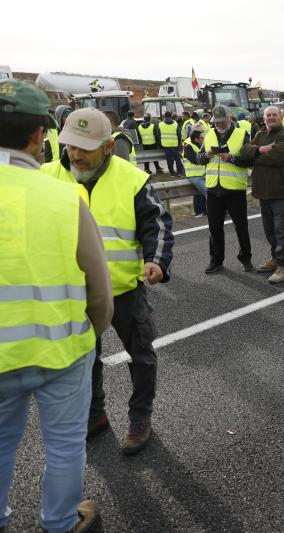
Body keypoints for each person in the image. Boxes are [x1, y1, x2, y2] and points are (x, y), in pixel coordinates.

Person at [0, 79, 113, 533]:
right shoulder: (65, 196)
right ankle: (60, 524)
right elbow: (99, 288)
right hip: (62, 350)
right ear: (38, 136)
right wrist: (92, 333)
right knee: (66, 445)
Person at [40, 108, 174, 456]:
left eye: (84, 147)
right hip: (73, 291)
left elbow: (156, 224)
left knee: (141, 354)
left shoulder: (131, 179)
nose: (75, 154)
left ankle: (140, 417)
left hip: (124, 289)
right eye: (70, 145)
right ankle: (95, 414)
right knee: (86, 359)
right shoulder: (46, 176)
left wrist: (155, 261)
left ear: (109, 147)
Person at [238, 106, 284, 284]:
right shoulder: (260, 135)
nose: (271, 117)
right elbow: (243, 153)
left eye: (274, 115)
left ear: (281, 117)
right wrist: (260, 150)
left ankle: (283, 266)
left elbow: (277, 158)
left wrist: (255, 153)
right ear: (263, 118)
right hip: (263, 192)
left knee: (282, 230)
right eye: (268, 115)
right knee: (270, 230)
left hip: (280, 192)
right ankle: (275, 259)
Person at [200, 105, 253, 274]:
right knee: (214, 228)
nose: (220, 125)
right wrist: (205, 156)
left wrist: (232, 158)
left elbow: (249, 160)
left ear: (230, 118)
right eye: (217, 122)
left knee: (241, 227)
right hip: (213, 189)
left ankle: (246, 259)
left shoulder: (242, 134)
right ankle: (216, 260)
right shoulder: (208, 134)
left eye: (222, 122)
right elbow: (198, 158)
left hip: (234, 190)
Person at [183, 127, 207, 218]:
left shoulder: (200, 144)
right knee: (208, 192)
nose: (203, 139)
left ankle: (201, 212)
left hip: (202, 173)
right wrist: (206, 156)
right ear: (196, 138)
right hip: (194, 175)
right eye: (201, 138)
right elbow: (195, 160)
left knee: (199, 194)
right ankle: (219, 210)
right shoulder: (187, 145)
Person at [158, 111, 184, 176]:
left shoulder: (160, 124)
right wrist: (178, 142)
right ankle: (179, 173)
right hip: (174, 144)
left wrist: (160, 143)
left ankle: (172, 173)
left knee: (169, 160)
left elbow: (158, 135)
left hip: (165, 144)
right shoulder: (175, 123)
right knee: (177, 159)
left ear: (164, 116)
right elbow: (179, 135)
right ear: (171, 116)